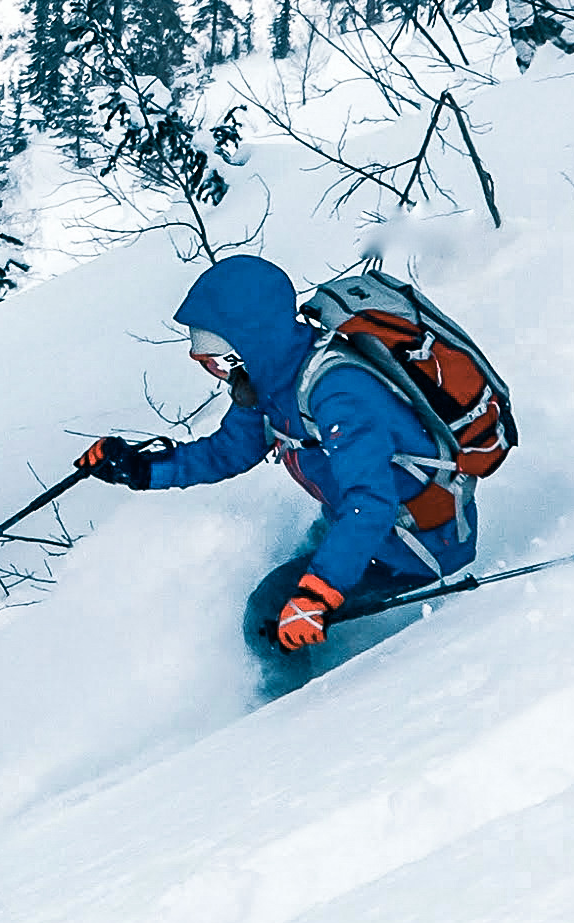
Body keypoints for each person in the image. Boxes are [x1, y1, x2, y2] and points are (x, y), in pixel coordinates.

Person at [76, 253, 477, 661]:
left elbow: (371, 500)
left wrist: (317, 594)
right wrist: (140, 469)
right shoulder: (272, 381)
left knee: (266, 615)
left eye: (214, 358)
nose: (215, 370)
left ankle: (303, 699)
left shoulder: (338, 391)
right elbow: (228, 451)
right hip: (358, 524)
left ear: (246, 344)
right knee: (296, 565)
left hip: (418, 545)